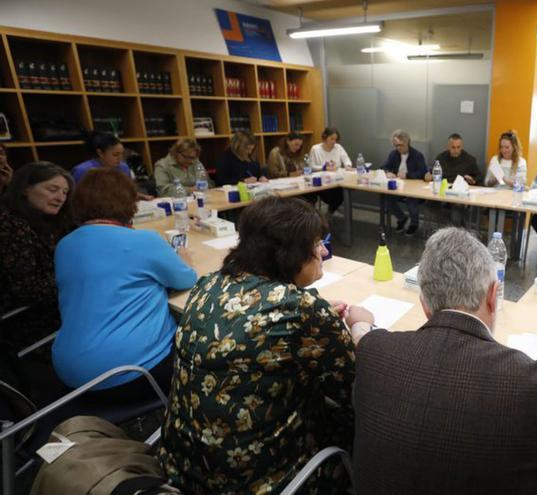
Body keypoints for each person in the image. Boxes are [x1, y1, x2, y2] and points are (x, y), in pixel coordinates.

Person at [353, 227, 537, 494]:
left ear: (424, 305)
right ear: (493, 296)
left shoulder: (373, 352)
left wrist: (359, 326)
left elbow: (364, 338)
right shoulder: (535, 383)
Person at [159, 196, 374, 495]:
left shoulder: (207, 284)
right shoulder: (301, 311)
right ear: (289, 254)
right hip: (255, 481)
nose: (324, 252)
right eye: (316, 245)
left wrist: (317, 314)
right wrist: (360, 328)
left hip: (182, 466)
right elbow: (355, 388)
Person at [53, 168, 196, 400]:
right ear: (129, 203)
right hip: (130, 372)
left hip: (69, 375)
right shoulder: (143, 240)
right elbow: (186, 279)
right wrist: (184, 259)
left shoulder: (64, 245)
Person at [0, 162, 75, 393]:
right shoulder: (12, 227)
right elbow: (26, 289)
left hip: (55, 306)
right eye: (52, 190)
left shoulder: (45, 221)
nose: (60, 197)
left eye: (64, 192)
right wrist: (75, 277)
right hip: (32, 321)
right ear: (25, 188)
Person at [382, 129, 427, 235]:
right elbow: (383, 167)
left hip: (414, 188)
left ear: (408, 143)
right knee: (387, 198)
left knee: (411, 201)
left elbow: (422, 173)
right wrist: (387, 172)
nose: (398, 148)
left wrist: (407, 175)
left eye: (401, 145)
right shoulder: (394, 154)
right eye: (396, 145)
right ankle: (402, 218)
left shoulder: (417, 155)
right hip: (399, 186)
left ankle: (414, 224)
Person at [307, 127, 347, 213]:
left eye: (336, 139)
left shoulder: (338, 147)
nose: (334, 142)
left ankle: (330, 211)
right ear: (325, 138)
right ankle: (330, 210)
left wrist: (348, 165)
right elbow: (311, 166)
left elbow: (346, 159)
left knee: (341, 193)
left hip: (336, 180)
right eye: (331, 139)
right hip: (321, 181)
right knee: (331, 195)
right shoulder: (315, 149)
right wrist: (324, 168)